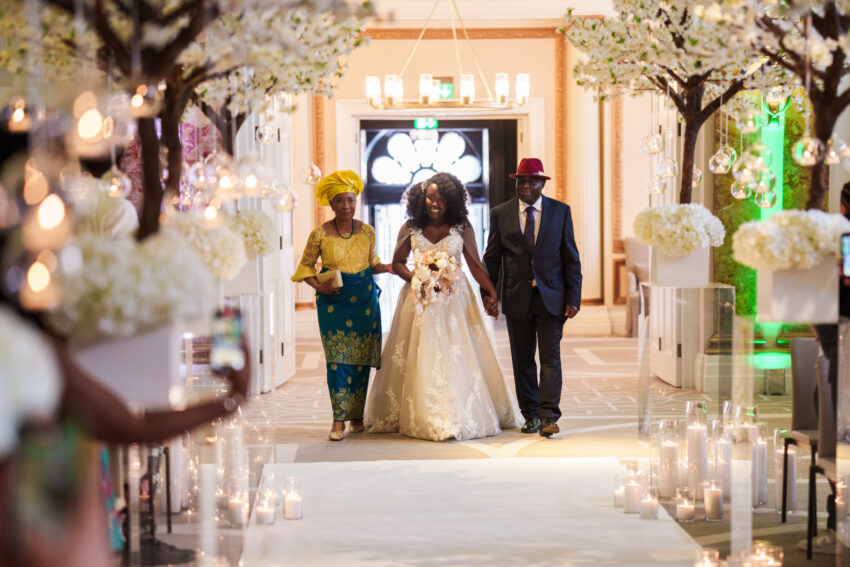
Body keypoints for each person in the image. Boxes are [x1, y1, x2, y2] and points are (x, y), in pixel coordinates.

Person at [364, 172, 522, 441]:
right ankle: (422, 412)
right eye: (430, 197)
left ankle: (459, 411)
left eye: (441, 198)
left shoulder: (461, 227)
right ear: (421, 198)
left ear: (451, 200)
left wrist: (492, 292)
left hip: (454, 298)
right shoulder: (411, 227)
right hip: (419, 299)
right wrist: (418, 277)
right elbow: (398, 262)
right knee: (419, 353)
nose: (434, 203)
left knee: (458, 352)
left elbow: (474, 265)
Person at [483, 157, 582, 438]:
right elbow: (492, 257)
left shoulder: (561, 212)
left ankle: (549, 415)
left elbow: (571, 258)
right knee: (523, 359)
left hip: (552, 297)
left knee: (551, 358)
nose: (526, 186)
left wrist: (573, 297)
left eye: (532, 181)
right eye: (521, 181)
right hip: (517, 298)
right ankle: (531, 416)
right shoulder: (500, 213)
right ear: (516, 183)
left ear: (542, 183)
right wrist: (488, 295)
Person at [291, 170, 391, 441]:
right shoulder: (319, 234)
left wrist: (392, 267)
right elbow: (305, 267)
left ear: (356, 200)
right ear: (331, 204)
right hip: (334, 304)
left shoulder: (367, 231)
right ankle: (338, 420)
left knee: (361, 361)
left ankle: (357, 416)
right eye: (340, 201)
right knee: (337, 361)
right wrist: (319, 286)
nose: (346, 206)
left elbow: (373, 262)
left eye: (350, 200)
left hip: (365, 303)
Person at [804, 181, 850, 555]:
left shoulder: (837, 240)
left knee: (833, 414)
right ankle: (840, 505)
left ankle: (839, 503)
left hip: (839, 339)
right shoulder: (838, 244)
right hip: (837, 336)